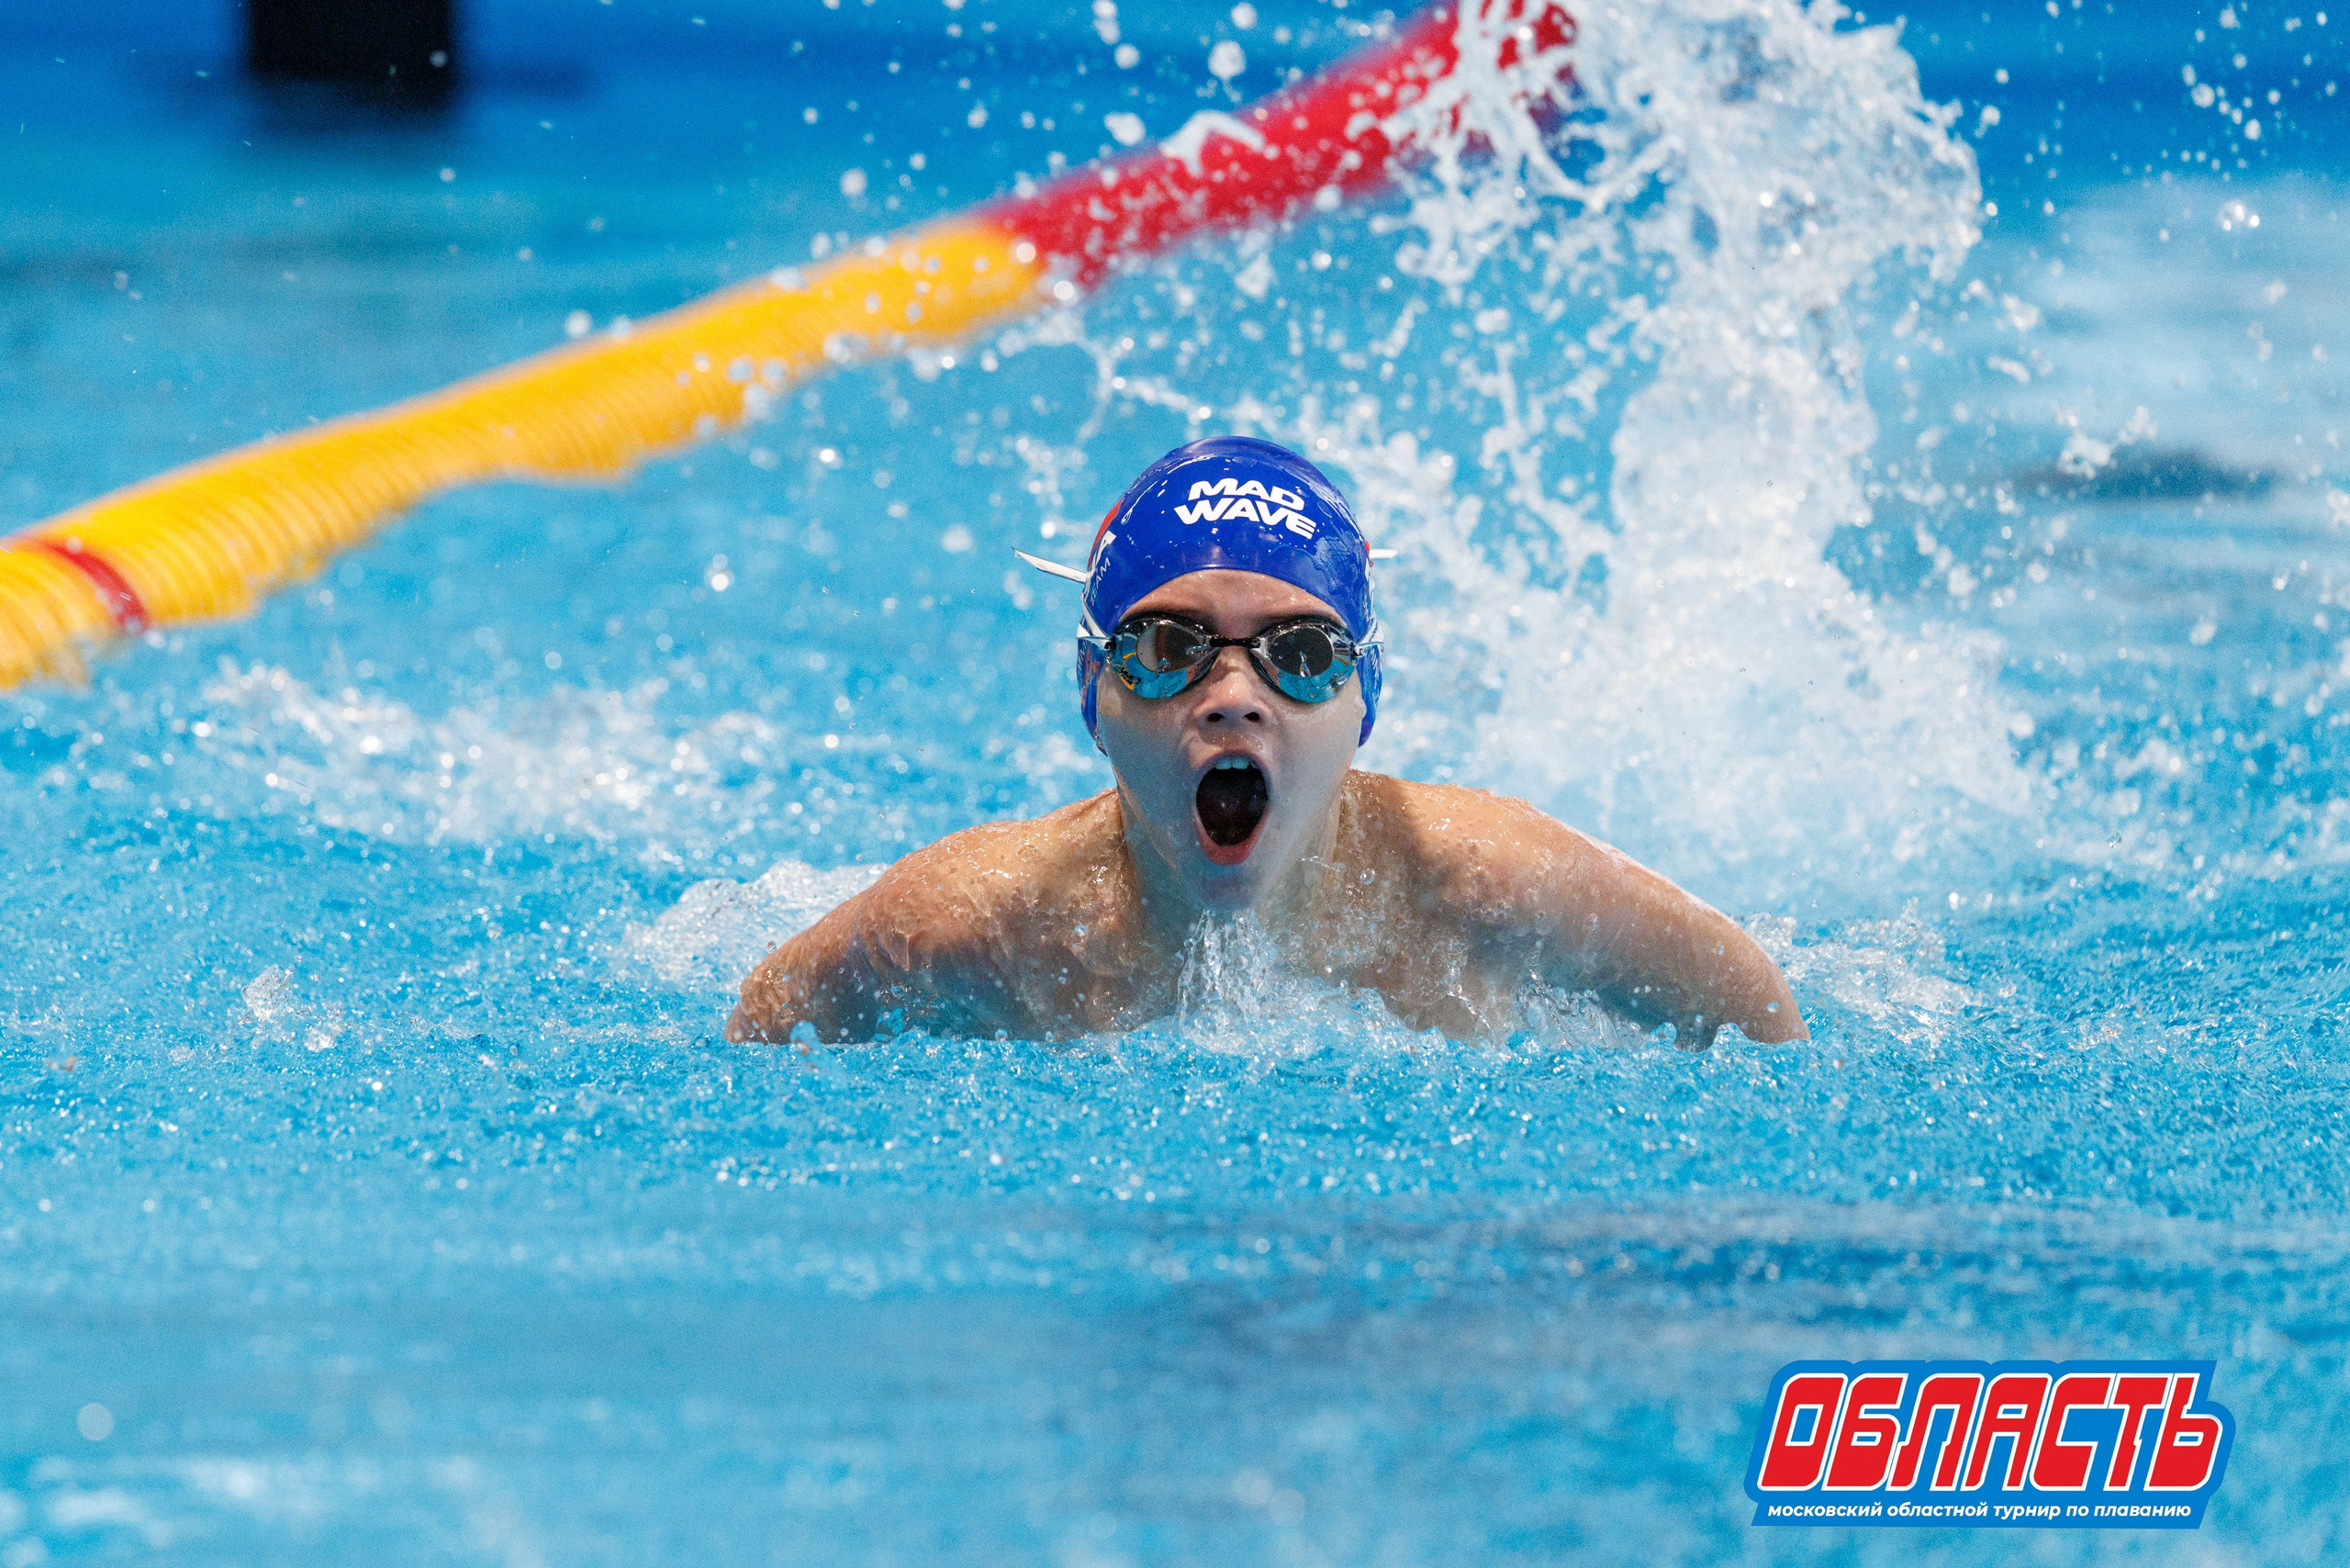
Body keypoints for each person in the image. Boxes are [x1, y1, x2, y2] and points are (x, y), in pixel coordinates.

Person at [728, 436, 1804, 1049]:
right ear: (1093, 689)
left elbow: (1757, 1016)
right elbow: (761, 1033)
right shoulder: (973, 924)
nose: (1234, 695)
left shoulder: (1489, 886)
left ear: (1363, 700)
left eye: (1299, 653)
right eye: (1165, 647)